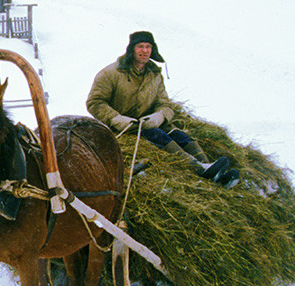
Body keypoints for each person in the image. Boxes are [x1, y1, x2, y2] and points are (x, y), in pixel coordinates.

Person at [86, 31, 238, 188]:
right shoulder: (110, 73)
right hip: (124, 129)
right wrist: (116, 118)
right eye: (140, 46)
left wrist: (158, 117)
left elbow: (164, 103)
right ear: (131, 49)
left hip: (148, 123)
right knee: (158, 136)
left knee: (179, 135)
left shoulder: (155, 75)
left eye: (148, 47)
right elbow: (94, 102)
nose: (144, 51)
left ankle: (211, 168)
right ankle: (199, 169)